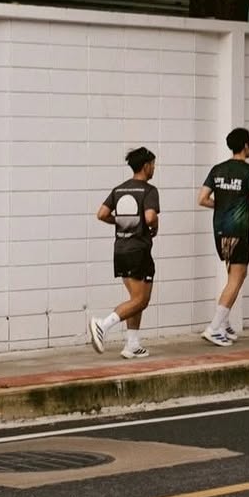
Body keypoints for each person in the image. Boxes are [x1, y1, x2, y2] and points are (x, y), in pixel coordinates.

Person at [198, 128, 249, 346]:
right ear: (245, 145)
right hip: (238, 232)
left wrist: (223, 204)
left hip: (219, 231)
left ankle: (224, 324)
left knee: (234, 277)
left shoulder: (217, 169)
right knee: (237, 279)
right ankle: (214, 327)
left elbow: (202, 199)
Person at [90, 147, 160, 359]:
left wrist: (119, 221)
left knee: (135, 298)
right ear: (146, 166)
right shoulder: (149, 190)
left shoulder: (119, 189)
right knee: (141, 300)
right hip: (138, 250)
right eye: (153, 164)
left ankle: (132, 344)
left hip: (120, 250)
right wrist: (154, 226)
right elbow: (149, 217)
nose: (154, 168)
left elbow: (102, 214)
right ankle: (103, 324)